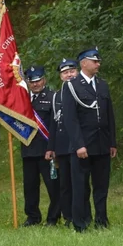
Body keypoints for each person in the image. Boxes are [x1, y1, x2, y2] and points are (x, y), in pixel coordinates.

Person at [61, 47, 117, 232]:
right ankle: (81, 222)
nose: (98, 64)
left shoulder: (102, 85)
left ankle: (102, 219)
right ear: (84, 63)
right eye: (95, 61)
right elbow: (70, 118)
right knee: (81, 186)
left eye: (98, 61)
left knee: (101, 185)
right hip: (83, 145)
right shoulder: (71, 86)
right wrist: (79, 145)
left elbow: (109, 116)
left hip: (101, 143)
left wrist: (112, 142)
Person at [22, 65, 59, 226]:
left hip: (46, 149)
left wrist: (53, 148)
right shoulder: (22, 100)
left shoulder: (52, 97)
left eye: (38, 81)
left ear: (44, 79)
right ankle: (32, 216)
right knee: (30, 186)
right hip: (28, 148)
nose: (35, 84)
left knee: (53, 186)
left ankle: (53, 217)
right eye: (32, 81)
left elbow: (55, 126)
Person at [48, 58, 79, 225]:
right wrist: (51, 147)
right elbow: (54, 123)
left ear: (77, 72)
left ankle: (79, 214)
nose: (69, 75)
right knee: (65, 184)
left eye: (72, 71)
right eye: (65, 72)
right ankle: (68, 217)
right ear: (61, 76)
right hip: (62, 146)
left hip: (78, 144)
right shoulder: (56, 97)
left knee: (78, 183)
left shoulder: (82, 91)